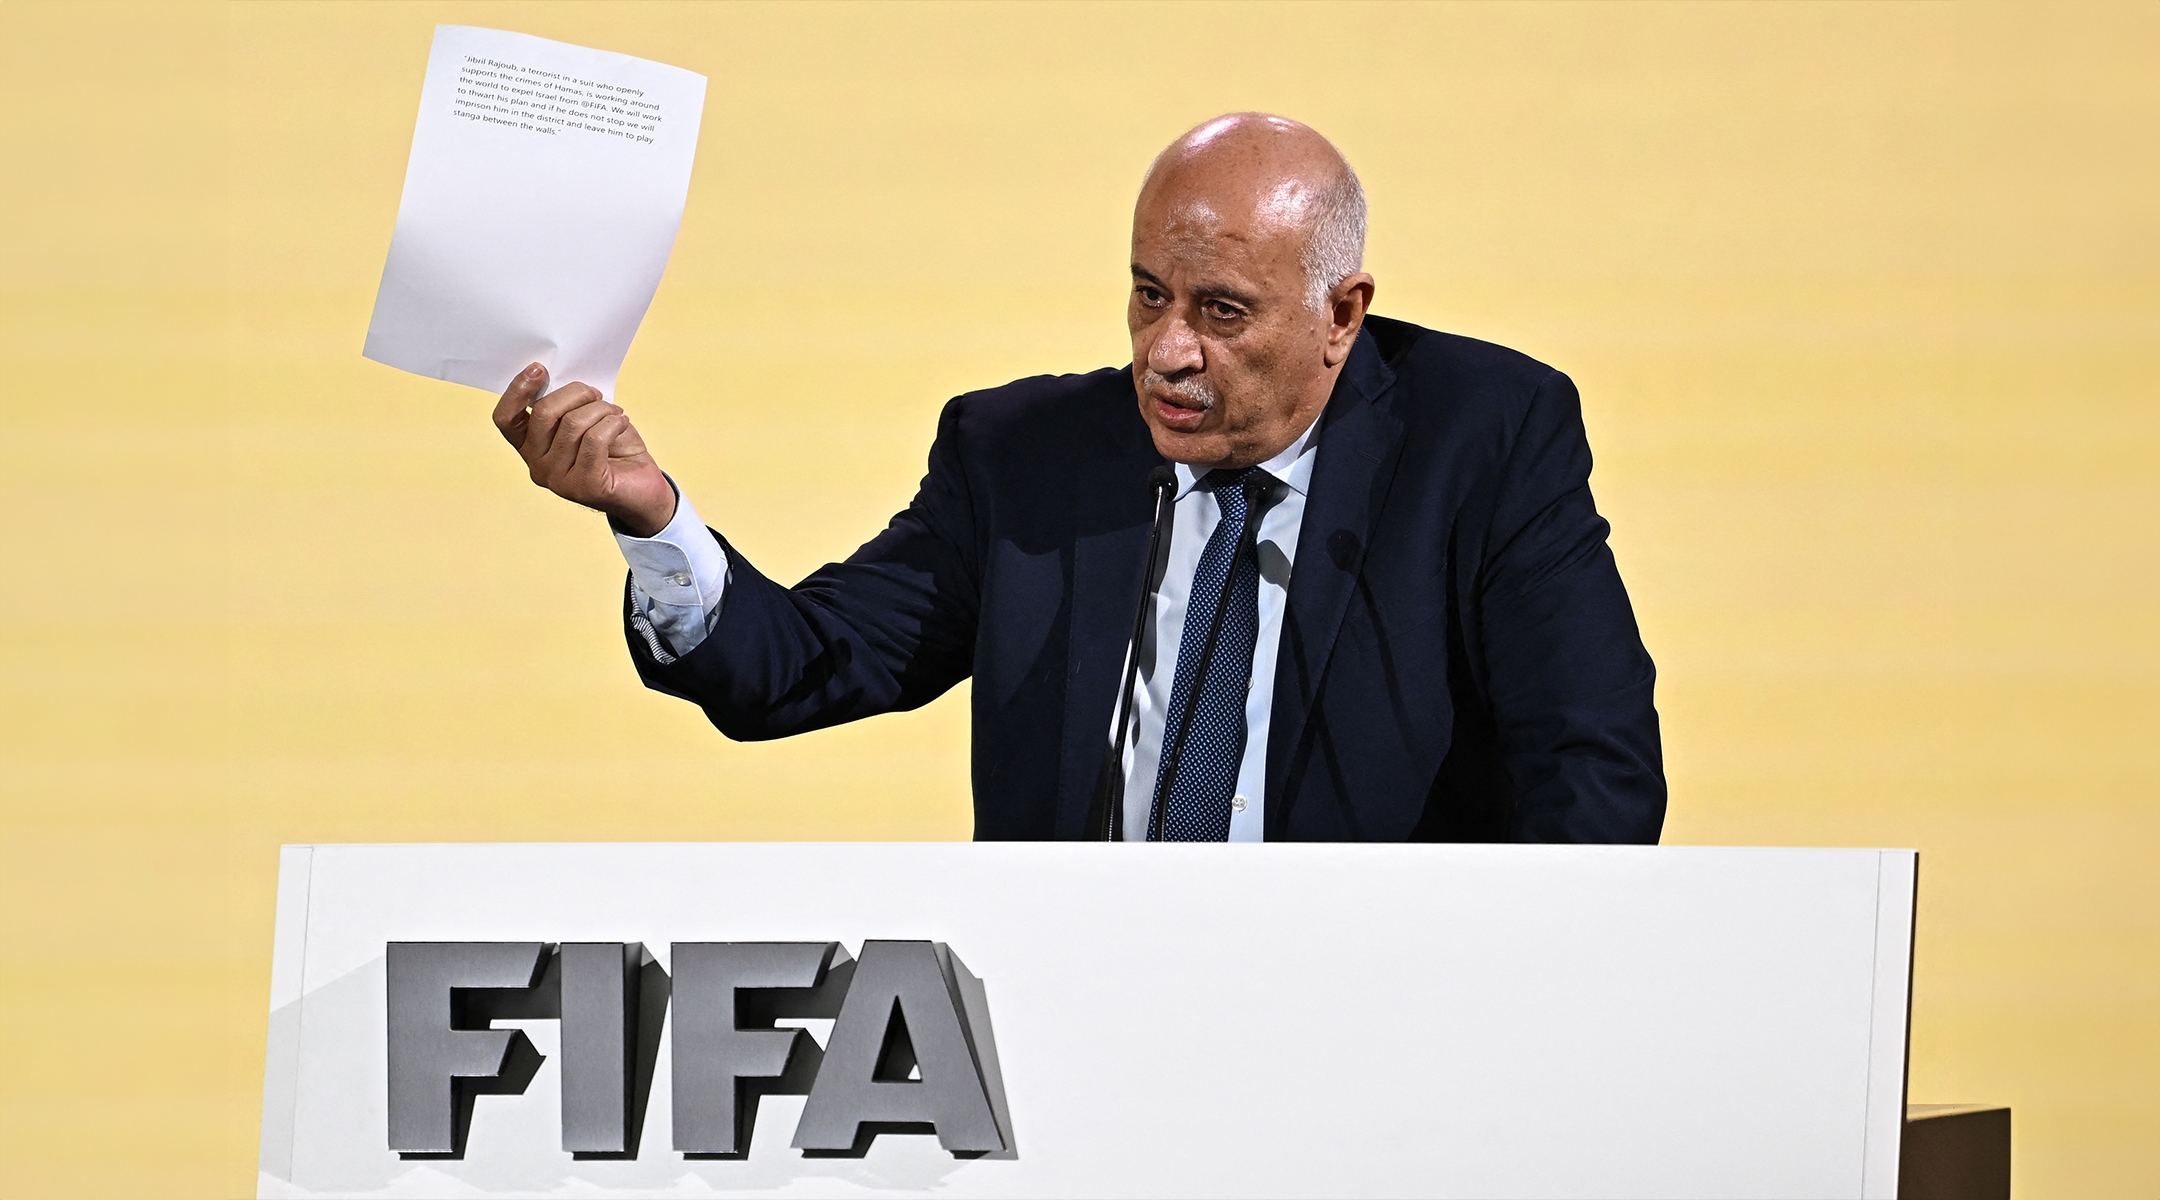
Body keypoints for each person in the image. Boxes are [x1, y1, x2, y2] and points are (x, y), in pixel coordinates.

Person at [491, 113, 1665, 843]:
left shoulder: (1487, 436)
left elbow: (1591, 765)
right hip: (1077, 1027)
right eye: (1150, 293)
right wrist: (651, 518)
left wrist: (1529, 1012)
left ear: (1341, 314)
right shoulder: (1025, 457)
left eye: (1222, 312)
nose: (1165, 350)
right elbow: (800, 667)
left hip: (1379, 1025)